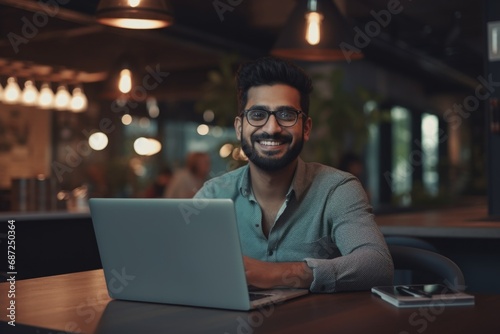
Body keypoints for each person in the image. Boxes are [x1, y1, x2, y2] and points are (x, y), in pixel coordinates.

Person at [194, 56, 393, 293]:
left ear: (306, 128)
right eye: (258, 115)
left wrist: (280, 274)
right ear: (239, 128)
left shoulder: (336, 189)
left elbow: (377, 264)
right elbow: (181, 262)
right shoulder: (213, 194)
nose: (272, 128)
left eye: (286, 115)